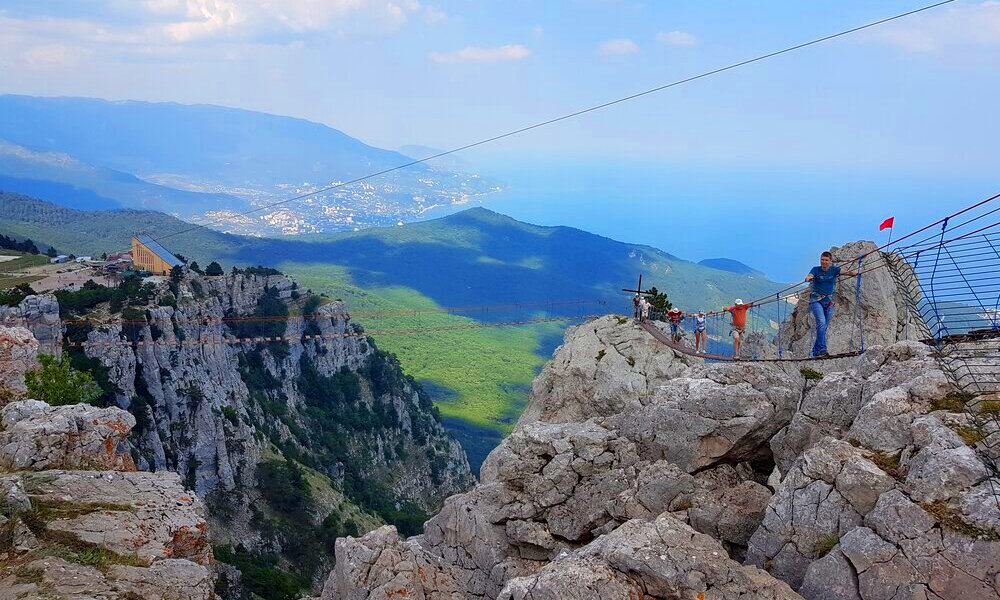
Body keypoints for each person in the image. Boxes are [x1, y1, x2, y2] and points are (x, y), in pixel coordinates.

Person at [804, 251, 856, 357]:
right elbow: (810, 275)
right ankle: (822, 350)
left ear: (830, 261)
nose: (824, 262)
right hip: (816, 300)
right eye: (822, 259)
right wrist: (808, 278)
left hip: (829, 302)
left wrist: (855, 273)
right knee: (822, 323)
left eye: (826, 260)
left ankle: (816, 351)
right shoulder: (816, 269)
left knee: (823, 327)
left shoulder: (834, 270)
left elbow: (845, 272)